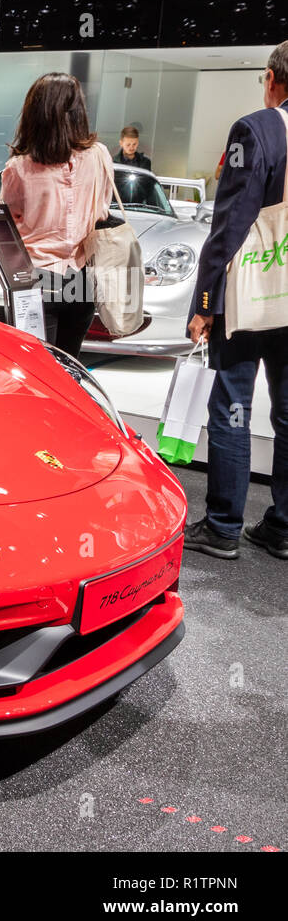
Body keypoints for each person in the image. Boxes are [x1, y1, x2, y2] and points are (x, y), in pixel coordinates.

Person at [183, 40, 288, 561]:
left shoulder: (257, 128)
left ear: (273, 78)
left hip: (252, 294)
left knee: (232, 405)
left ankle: (224, 525)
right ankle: (283, 527)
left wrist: (204, 301)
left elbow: (229, 225)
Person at [0, 72, 113, 360]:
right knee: (70, 367)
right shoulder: (99, 155)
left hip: (36, 277)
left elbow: (7, 226)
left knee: (34, 368)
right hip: (82, 276)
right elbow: (102, 210)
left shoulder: (19, 167)